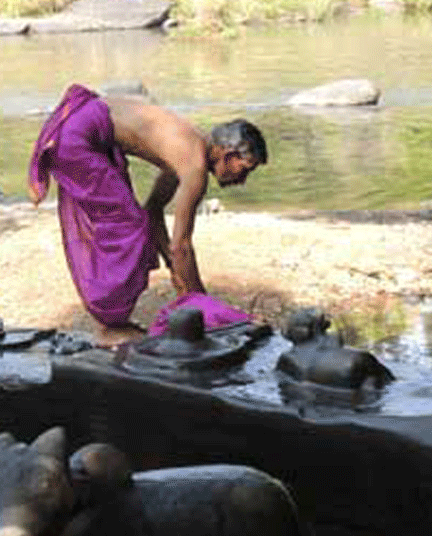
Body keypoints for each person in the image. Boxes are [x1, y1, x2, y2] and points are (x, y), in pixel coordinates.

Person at [28, 83, 267, 345]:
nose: (242, 180)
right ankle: (112, 328)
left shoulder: (189, 149)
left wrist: (179, 277)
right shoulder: (195, 167)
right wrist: (204, 304)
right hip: (77, 138)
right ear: (227, 154)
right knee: (129, 229)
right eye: (244, 169)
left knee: (137, 223)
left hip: (83, 127)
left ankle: (113, 322)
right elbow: (182, 246)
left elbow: (154, 212)